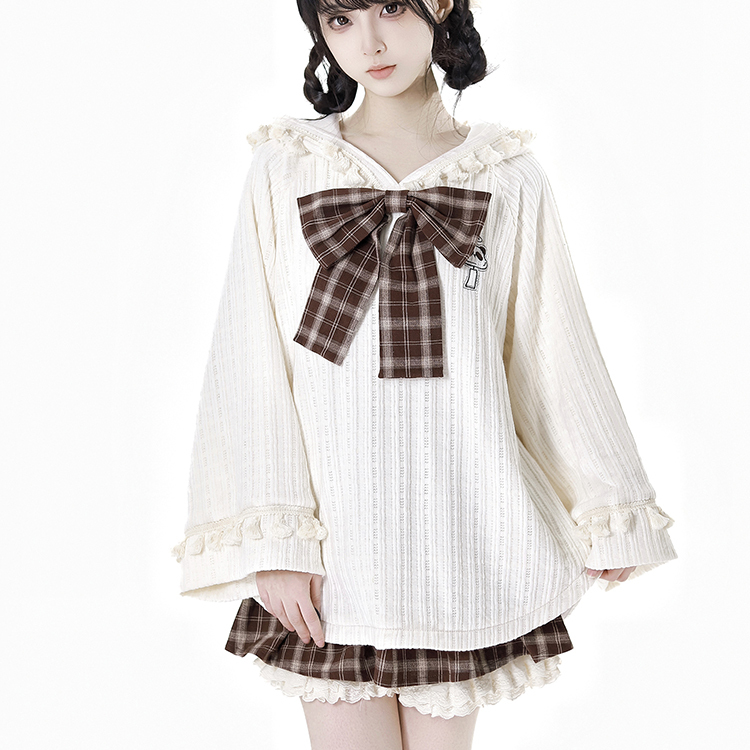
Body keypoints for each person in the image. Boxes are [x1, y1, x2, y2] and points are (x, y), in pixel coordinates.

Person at [172, 1, 678, 747]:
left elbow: (551, 348)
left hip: (459, 534)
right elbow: (251, 359)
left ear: (439, 4)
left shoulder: (506, 178)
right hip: (334, 547)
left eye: (391, 8)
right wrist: (276, 541)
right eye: (340, 19)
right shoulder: (287, 167)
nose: (370, 42)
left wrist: (608, 505)